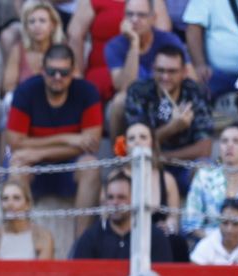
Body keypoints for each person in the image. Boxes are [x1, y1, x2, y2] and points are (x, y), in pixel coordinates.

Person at [5, 45, 104, 220]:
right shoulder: (26, 91)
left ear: (73, 71)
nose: (57, 77)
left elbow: (91, 144)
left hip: (68, 166)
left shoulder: (87, 92)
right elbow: (15, 142)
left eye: (64, 72)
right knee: (18, 164)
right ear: (42, 70)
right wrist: (68, 139)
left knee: (91, 165)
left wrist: (39, 154)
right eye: (51, 71)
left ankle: (81, 243)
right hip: (33, 168)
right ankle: (23, 237)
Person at [122, 45, 214, 189]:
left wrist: (162, 158)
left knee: (205, 167)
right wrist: (171, 128)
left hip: (182, 166)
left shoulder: (196, 93)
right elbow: (136, 143)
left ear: (184, 72)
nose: (165, 77)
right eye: (160, 70)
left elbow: (204, 149)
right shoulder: (139, 91)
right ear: (153, 69)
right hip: (146, 164)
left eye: (172, 72)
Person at [102, 0, 186, 133]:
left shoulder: (169, 40)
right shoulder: (114, 46)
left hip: (166, 97)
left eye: (141, 15)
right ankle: (120, 152)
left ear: (153, 19)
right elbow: (125, 88)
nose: (134, 20)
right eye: (130, 14)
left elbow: (190, 78)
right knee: (118, 102)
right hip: (135, 102)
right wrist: (134, 44)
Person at [66, 0, 172, 102]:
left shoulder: (154, 1)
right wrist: (77, 75)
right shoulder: (92, 1)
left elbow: (163, 37)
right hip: (102, 69)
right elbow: (75, 35)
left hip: (145, 68)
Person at [70, 169, 175, 260]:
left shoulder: (154, 237)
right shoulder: (91, 237)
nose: (115, 203)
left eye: (121, 197)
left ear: (134, 200)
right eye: (110, 197)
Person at [120, 120, 185, 256]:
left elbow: (174, 218)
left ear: (152, 144)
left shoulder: (167, 179)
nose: (137, 142)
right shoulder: (115, 179)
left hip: (159, 241)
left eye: (143, 137)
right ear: (125, 146)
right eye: (132, 138)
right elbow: (106, 219)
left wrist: (168, 227)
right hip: (125, 238)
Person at [2, 0, 62, 108]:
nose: (37, 26)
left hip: (54, 101)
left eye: (42, 21)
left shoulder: (62, 50)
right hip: (25, 102)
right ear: (26, 27)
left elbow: (74, 80)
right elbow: (8, 86)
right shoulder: (18, 50)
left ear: (52, 25)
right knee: (9, 99)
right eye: (32, 22)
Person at [0, 179, 57, 258]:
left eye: (16, 198)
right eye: (5, 198)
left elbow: (43, 269)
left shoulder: (43, 236)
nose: (10, 204)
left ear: (27, 204)